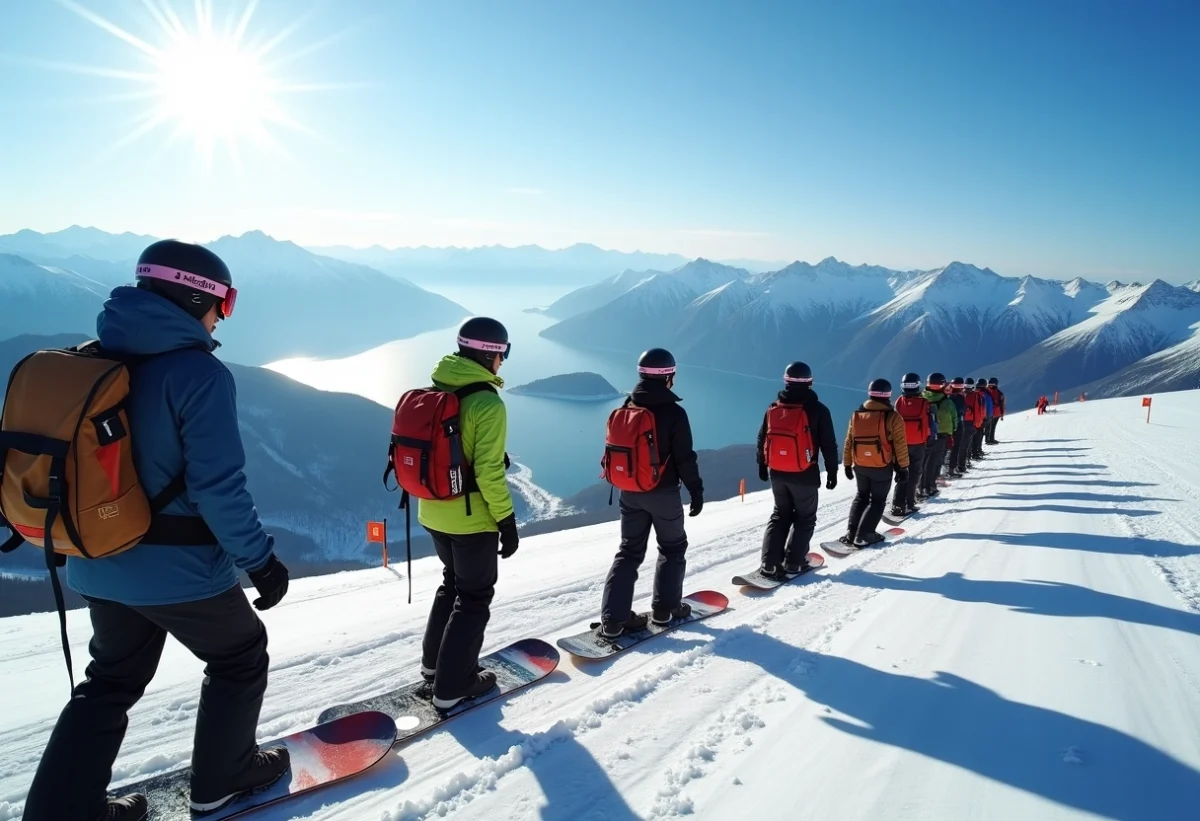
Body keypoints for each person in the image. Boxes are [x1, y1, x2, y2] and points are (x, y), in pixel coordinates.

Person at [21, 240, 291, 821]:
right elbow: (219, 489)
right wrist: (261, 562)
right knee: (241, 655)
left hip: (94, 558)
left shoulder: (91, 359)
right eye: (225, 303)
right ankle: (224, 779)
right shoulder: (198, 374)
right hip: (178, 570)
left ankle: (61, 812)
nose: (223, 318)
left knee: (110, 680)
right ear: (199, 297)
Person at [417, 317, 519, 710]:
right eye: (502, 353)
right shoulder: (487, 403)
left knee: (451, 584)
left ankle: (432, 667)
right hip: (470, 519)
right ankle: (453, 687)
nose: (502, 362)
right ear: (490, 353)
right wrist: (507, 522)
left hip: (432, 511)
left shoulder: (437, 388)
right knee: (474, 597)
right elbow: (489, 473)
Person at [599, 348, 703, 637]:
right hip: (664, 494)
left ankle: (613, 620)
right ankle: (665, 609)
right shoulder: (674, 413)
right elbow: (685, 458)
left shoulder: (628, 405)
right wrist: (696, 491)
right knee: (672, 548)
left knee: (629, 552)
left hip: (629, 492)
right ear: (669, 376)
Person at [755, 361, 839, 578]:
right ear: (810, 382)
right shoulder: (818, 410)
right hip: (804, 474)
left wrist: (762, 465)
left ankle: (769, 564)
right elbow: (828, 444)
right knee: (805, 517)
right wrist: (831, 472)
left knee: (780, 515)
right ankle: (794, 563)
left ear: (786, 381)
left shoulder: (774, 408)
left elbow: (762, 438)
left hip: (777, 473)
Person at [840, 378, 910, 548]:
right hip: (882, 466)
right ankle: (864, 534)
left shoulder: (857, 415)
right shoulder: (893, 417)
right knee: (878, 500)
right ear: (888, 395)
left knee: (861, 497)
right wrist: (903, 467)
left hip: (860, 465)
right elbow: (900, 444)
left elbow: (849, 441)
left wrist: (847, 464)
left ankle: (851, 533)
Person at [890, 373, 932, 518]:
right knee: (915, 474)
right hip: (919, 443)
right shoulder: (925, 403)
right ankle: (909, 503)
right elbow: (931, 423)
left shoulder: (899, 402)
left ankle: (897, 504)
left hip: (901, 444)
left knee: (902, 473)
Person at [920, 372, 957, 498]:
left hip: (924, 434)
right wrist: (952, 432)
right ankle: (931, 487)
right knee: (935, 462)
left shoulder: (921, 398)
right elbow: (953, 419)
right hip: (942, 434)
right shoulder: (947, 402)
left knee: (923, 462)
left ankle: (920, 487)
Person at [946, 377, 968, 477]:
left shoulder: (947, 397)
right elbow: (963, 410)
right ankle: (951, 469)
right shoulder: (960, 398)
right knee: (955, 447)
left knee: (945, 447)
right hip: (958, 425)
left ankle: (942, 468)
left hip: (945, 425)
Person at [971, 377, 992, 460]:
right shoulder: (984, 394)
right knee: (978, 435)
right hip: (982, 418)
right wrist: (987, 416)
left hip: (977, 418)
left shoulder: (977, 393)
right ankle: (977, 451)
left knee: (977, 436)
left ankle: (977, 451)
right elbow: (986, 407)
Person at [985, 377, 1005, 444]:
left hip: (987, 412)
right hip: (996, 412)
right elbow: (1002, 404)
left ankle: (988, 439)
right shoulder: (999, 393)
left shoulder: (985, 392)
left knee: (988, 426)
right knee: (992, 426)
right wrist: (1002, 414)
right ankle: (991, 439)